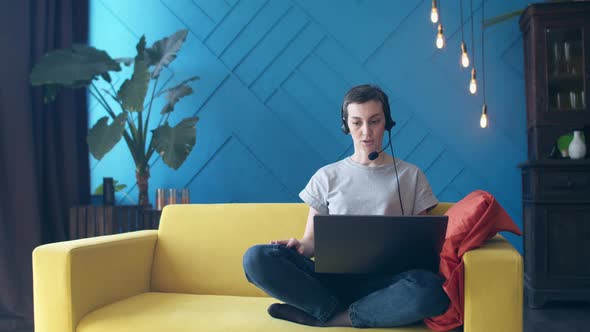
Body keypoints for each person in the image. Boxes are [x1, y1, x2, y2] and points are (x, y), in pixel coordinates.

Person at [242, 84, 450, 328]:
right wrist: (300, 246)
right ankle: (334, 309)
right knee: (256, 257)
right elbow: (311, 242)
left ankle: (330, 318)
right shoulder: (326, 176)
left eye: (374, 121)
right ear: (346, 125)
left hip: (389, 286)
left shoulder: (411, 175)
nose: (366, 132)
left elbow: (422, 247)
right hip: (333, 283)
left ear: (387, 123)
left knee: (431, 289)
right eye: (357, 122)